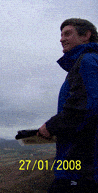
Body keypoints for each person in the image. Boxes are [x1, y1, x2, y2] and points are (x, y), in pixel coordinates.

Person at [38, 18, 98, 192]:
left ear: (86, 35)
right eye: (61, 34)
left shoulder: (87, 62)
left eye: (68, 33)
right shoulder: (88, 62)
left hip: (80, 169)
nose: (61, 39)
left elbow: (87, 106)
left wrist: (51, 126)